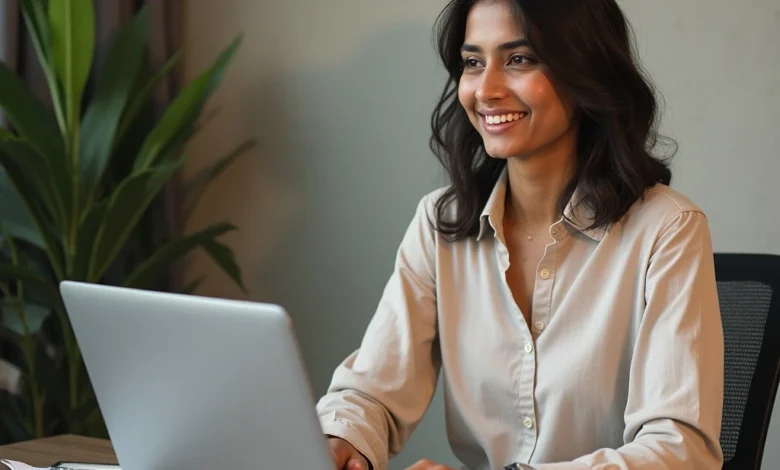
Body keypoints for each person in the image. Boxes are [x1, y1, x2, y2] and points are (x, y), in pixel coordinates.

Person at [317, 0, 724, 469]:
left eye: (519, 59)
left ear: (584, 70)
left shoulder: (667, 231)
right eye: (473, 63)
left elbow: (680, 451)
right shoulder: (441, 223)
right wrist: (340, 438)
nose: (485, 89)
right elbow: (374, 390)